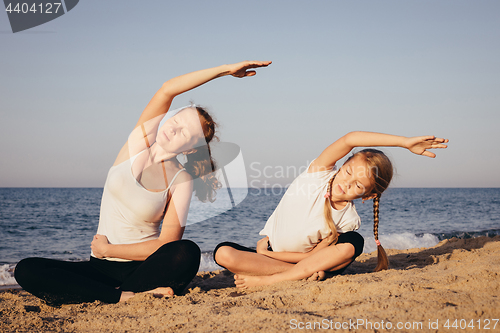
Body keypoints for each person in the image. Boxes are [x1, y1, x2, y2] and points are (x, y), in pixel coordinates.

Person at [14, 60, 272, 305]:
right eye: (177, 120)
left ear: (192, 148)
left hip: (142, 268)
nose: (173, 127)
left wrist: (109, 249)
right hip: (98, 267)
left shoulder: (181, 180)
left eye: (184, 131)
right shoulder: (136, 146)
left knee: (187, 252)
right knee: (27, 269)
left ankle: (109, 295)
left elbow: (165, 245)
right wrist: (226, 70)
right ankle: (122, 296)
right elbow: (167, 89)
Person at [214, 131, 448, 288]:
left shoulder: (348, 220)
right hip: (293, 261)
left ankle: (272, 280)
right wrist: (404, 142)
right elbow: (351, 139)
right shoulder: (316, 175)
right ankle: (301, 274)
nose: (346, 184)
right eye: (348, 172)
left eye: (358, 185)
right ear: (342, 165)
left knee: (352, 243)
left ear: (367, 196)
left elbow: (311, 256)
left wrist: (267, 255)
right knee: (222, 253)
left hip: (292, 259)